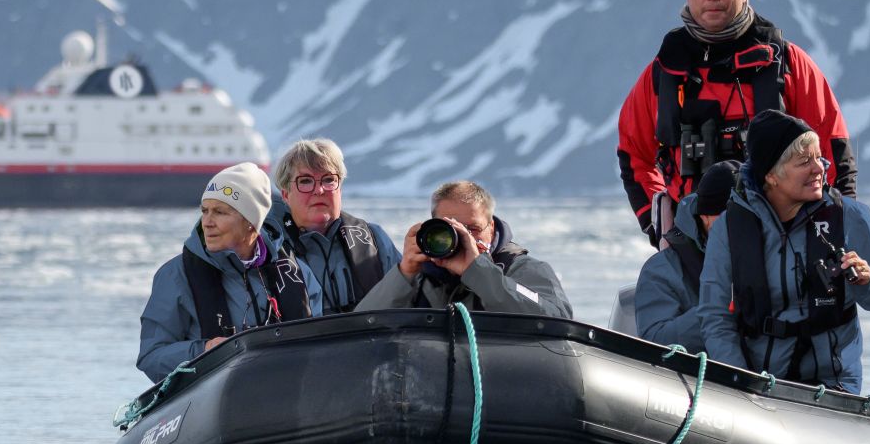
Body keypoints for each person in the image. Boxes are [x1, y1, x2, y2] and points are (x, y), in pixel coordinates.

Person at [616, 0, 859, 247]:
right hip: (693, 241)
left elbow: (832, 145)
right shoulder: (665, 72)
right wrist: (657, 223)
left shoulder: (786, 62)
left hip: (783, 238)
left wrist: (835, 226)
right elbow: (633, 153)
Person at [698, 111, 870, 394]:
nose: (819, 168)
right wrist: (740, 381)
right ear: (771, 175)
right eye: (804, 162)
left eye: (819, 157)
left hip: (834, 387)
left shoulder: (849, 216)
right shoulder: (729, 228)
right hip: (758, 384)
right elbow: (715, 315)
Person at [137, 162, 324, 383]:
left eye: (220, 212)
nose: (207, 222)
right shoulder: (175, 275)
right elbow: (151, 357)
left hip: (286, 393)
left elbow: (317, 348)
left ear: (250, 223)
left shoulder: (298, 273)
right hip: (212, 402)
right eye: (204, 211)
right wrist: (204, 350)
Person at [354, 180, 571, 317]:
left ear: (492, 227)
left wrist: (478, 272)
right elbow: (361, 328)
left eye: (473, 229)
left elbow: (557, 318)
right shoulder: (417, 280)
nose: (463, 237)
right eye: (450, 228)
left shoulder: (522, 270)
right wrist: (404, 274)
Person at [264, 138, 398, 314]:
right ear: (285, 195)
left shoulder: (375, 240)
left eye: (328, 180)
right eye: (305, 181)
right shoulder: (264, 251)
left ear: (340, 190)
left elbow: (409, 302)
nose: (319, 190)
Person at [633, 159, 739, 352]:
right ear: (704, 216)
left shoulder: (774, 252)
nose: (738, 225)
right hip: (701, 377)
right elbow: (655, 340)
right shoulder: (662, 270)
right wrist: (720, 307)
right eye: (728, 215)